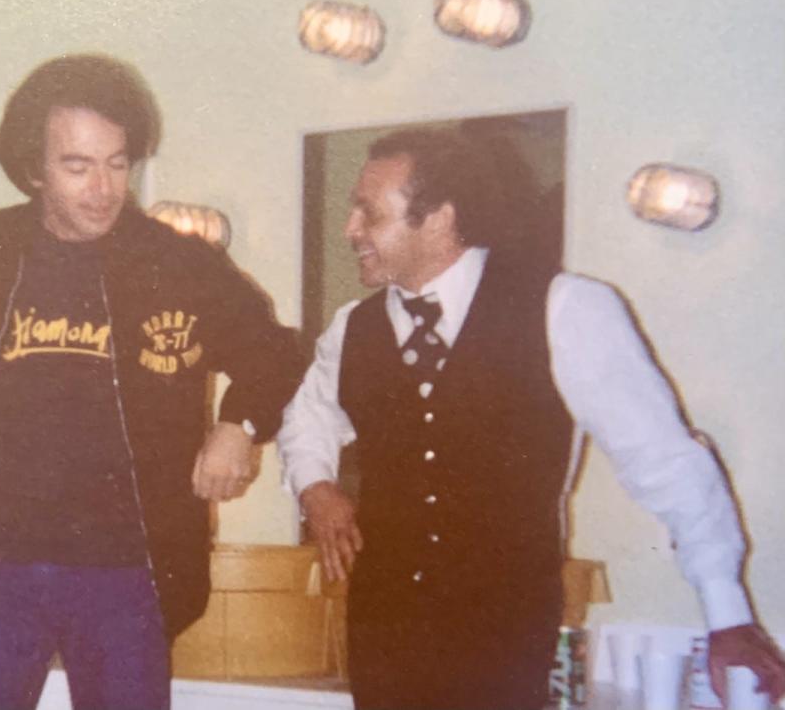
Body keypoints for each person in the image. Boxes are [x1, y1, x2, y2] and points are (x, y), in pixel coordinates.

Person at [0, 53, 303, 710]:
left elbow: (274, 350)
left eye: (118, 164)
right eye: (78, 166)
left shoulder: (175, 263)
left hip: (127, 568)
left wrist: (241, 424)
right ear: (34, 170)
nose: (103, 188)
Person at [278, 126, 785, 709]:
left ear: (440, 219)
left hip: (505, 635)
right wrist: (316, 486)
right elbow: (306, 418)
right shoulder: (352, 328)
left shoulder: (565, 308)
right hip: (382, 635)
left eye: (368, 213)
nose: (352, 231)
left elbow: (666, 460)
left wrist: (727, 614)